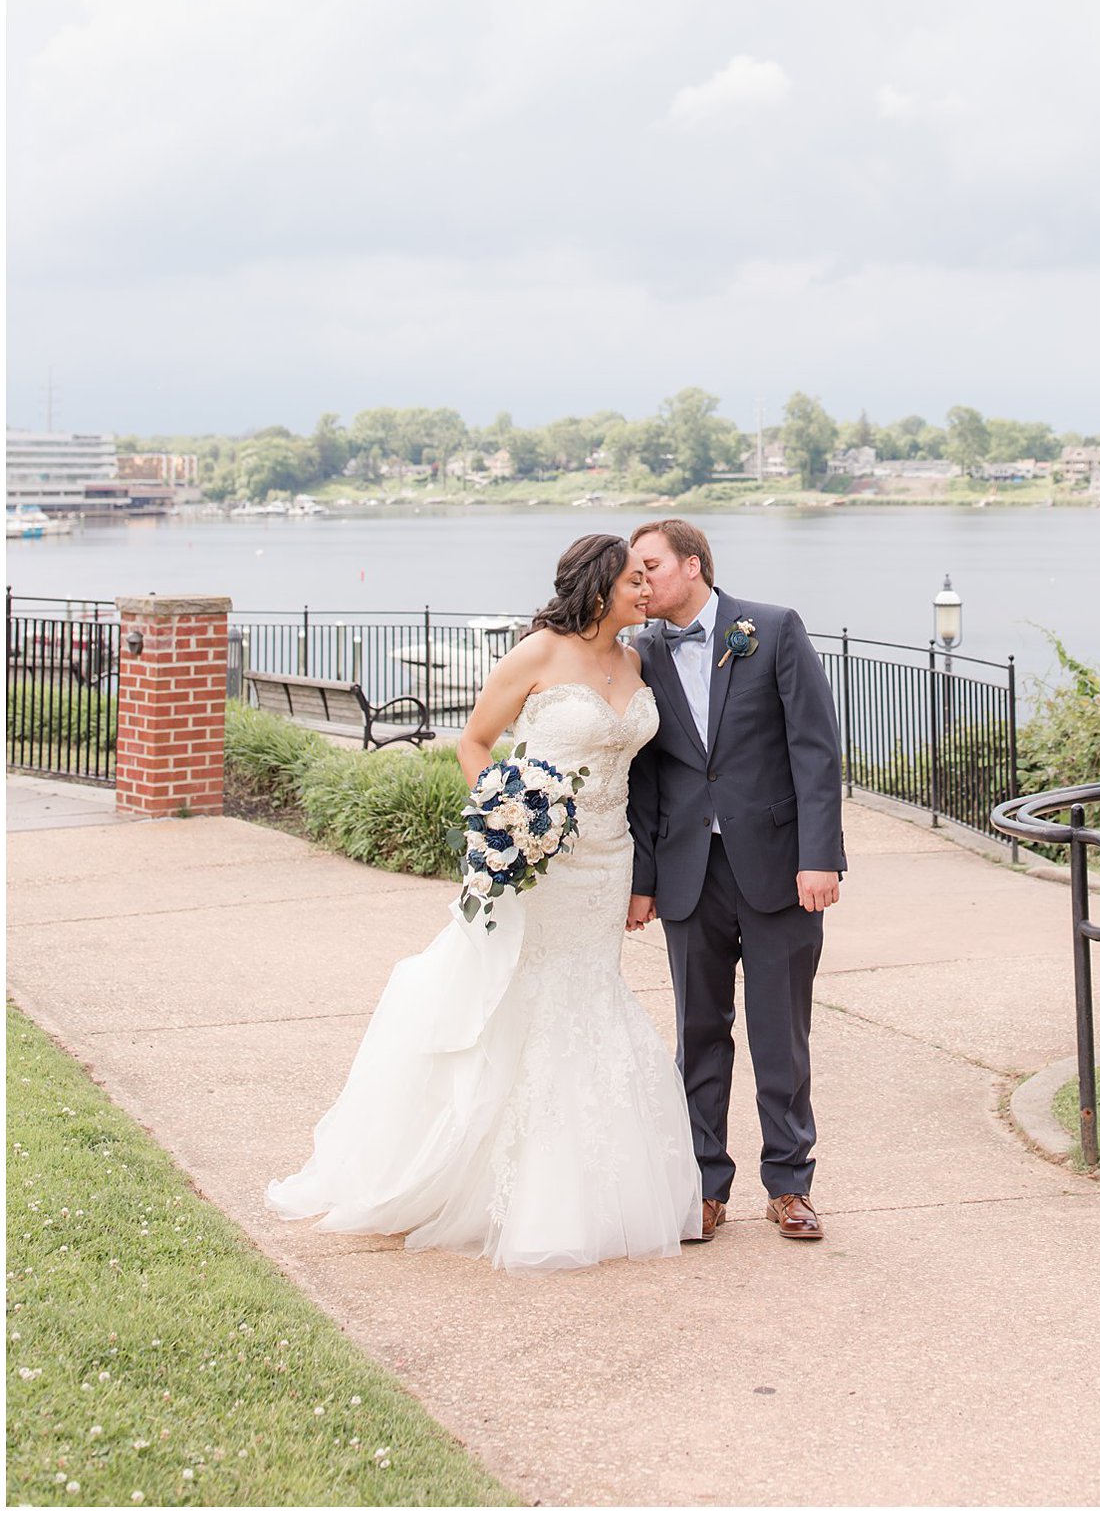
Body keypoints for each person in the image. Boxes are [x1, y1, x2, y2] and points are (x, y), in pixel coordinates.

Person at [267, 533, 702, 1271]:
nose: (645, 591)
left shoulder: (634, 660)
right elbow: (475, 743)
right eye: (635, 580)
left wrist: (640, 875)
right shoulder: (538, 654)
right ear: (601, 588)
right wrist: (506, 821)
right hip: (542, 861)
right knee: (517, 1000)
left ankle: (594, 1189)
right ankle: (498, 1183)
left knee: (586, 995)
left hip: (607, 860)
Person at [627, 518, 844, 1243]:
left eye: (650, 566)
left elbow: (814, 749)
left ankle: (790, 1184)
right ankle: (704, 1187)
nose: (640, 581)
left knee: (781, 1030)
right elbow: (646, 778)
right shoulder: (642, 654)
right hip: (690, 872)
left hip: (781, 866)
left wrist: (821, 855)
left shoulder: (774, 630)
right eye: (635, 571)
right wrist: (644, 879)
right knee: (698, 1032)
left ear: (692, 566)